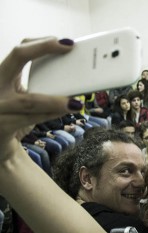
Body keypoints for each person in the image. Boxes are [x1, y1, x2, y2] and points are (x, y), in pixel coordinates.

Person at [0, 36, 106, 233]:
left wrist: (8, 158)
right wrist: (7, 156)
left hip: (28, 140)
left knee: (72, 135)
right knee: (53, 146)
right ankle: (57, 178)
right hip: (31, 138)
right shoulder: (38, 97)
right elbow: (36, 127)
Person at [52, 129, 148, 233]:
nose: (141, 182)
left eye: (143, 172)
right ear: (87, 178)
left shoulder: (58, 215)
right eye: (125, 171)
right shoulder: (127, 227)